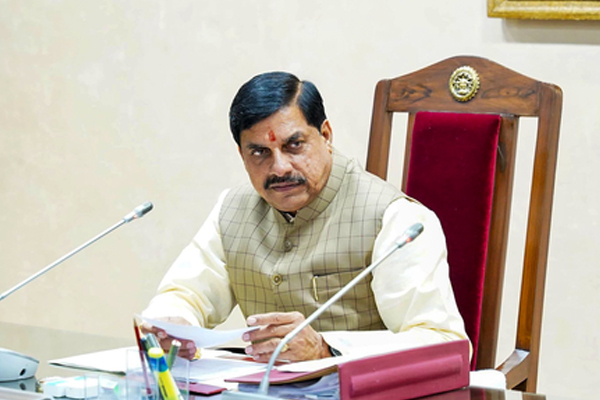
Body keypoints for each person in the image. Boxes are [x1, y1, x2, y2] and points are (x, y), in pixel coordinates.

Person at [142, 71, 468, 363]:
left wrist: (326, 349)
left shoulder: (395, 218)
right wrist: (172, 324)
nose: (280, 167)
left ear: (325, 135)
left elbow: (443, 344)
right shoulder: (232, 209)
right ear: (241, 154)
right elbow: (185, 294)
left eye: (294, 145)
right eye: (260, 152)